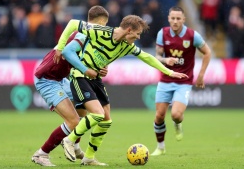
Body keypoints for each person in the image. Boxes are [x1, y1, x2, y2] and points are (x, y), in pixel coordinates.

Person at [59, 15, 189, 166]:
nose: (138, 37)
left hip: (96, 79)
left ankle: (89, 157)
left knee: (106, 120)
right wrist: (60, 47)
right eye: (137, 33)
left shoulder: (127, 46)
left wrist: (169, 72)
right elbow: (73, 23)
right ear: (129, 30)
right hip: (80, 76)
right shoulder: (101, 31)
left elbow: (147, 57)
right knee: (98, 114)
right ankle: (69, 140)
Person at [31, 6, 109, 167]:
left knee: (82, 109)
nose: (104, 28)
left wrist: (100, 68)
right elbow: (67, 52)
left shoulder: (88, 36)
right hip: (47, 79)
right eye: (104, 24)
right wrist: (87, 70)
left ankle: (75, 145)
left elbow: (86, 59)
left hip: (61, 78)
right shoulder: (83, 34)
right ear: (101, 22)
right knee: (73, 121)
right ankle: (41, 154)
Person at [150, 6, 211, 156]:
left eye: (178, 18)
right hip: (165, 79)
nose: (175, 21)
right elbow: (157, 56)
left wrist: (201, 75)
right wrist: (165, 59)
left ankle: (178, 124)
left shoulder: (192, 35)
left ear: (184, 19)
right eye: (173, 18)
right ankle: (160, 147)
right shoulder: (162, 34)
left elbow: (207, 52)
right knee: (159, 116)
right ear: (169, 18)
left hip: (184, 81)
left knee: (176, 115)